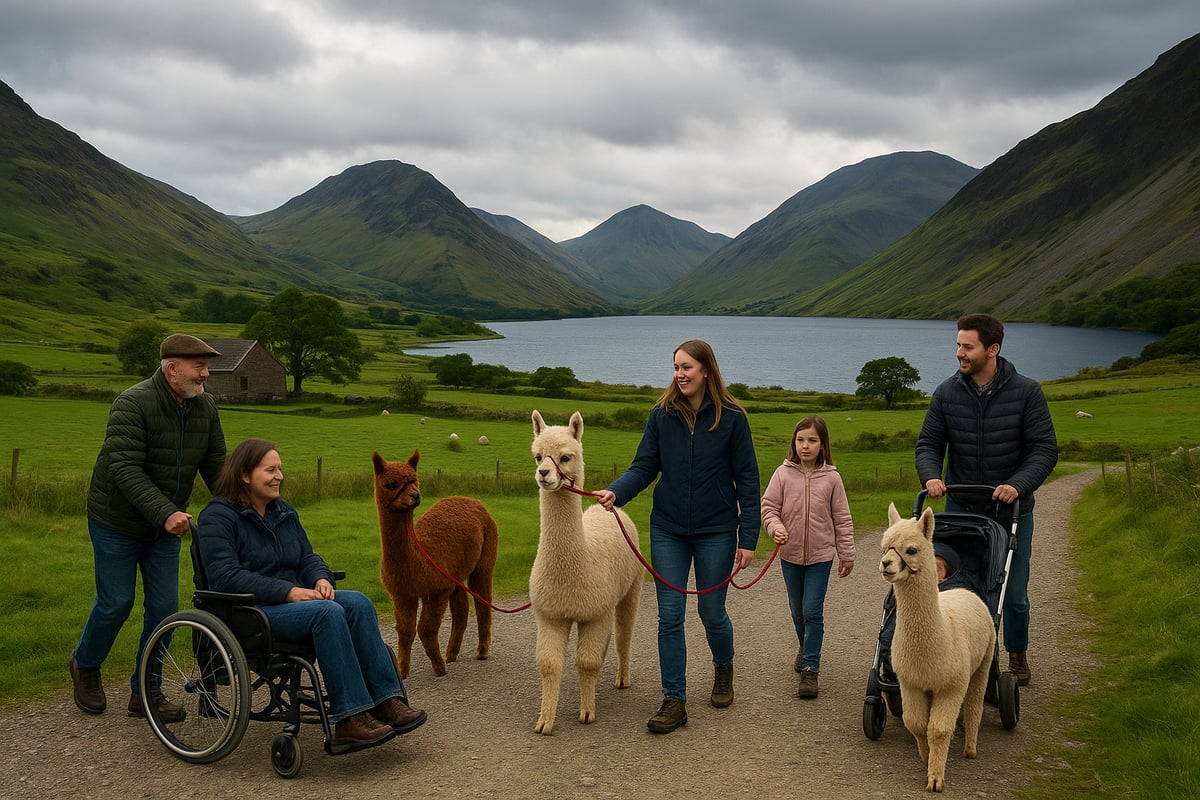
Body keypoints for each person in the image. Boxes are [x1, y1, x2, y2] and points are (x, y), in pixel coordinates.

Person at [196, 438, 427, 748]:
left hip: (295, 601)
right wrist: (288, 591)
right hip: (251, 611)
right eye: (270, 470)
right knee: (327, 613)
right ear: (245, 475)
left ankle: (386, 702)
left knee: (358, 603)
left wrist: (320, 578)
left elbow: (307, 556)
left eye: (280, 469)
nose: (279, 476)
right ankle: (349, 718)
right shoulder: (218, 517)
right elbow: (225, 576)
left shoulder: (283, 511)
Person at [595, 339, 760, 734]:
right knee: (669, 616)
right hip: (667, 529)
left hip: (717, 530)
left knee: (711, 613)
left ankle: (723, 668)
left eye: (687, 367)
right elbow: (644, 466)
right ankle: (674, 699)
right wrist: (617, 492)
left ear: (706, 370)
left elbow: (748, 480)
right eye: (676, 367)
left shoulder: (733, 418)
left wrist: (748, 537)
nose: (680, 374)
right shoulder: (661, 415)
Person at [70, 333, 226, 721]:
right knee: (116, 602)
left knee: (165, 608)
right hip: (116, 520)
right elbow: (124, 469)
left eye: (207, 367)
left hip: (164, 528)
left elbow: (217, 467)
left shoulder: (205, 407)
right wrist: (166, 512)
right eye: (199, 367)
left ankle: (146, 689)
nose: (206, 374)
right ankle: (85, 665)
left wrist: (246, 506)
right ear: (172, 369)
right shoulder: (132, 403)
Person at [915, 313, 1058, 685]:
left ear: (992, 349)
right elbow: (929, 444)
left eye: (968, 346)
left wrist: (1018, 484)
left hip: (1011, 510)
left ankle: (1017, 654)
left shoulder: (1027, 393)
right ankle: (969, 660)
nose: (959, 353)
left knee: (1013, 593)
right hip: (960, 511)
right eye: (958, 345)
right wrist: (930, 475)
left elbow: (1044, 450)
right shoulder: (946, 393)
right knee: (958, 587)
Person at [760, 415, 854, 700]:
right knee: (797, 612)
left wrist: (846, 553)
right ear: (794, 442)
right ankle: (805, 646)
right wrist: (775, 528)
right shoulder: (782, 474)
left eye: (812, 440)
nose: (805, 446)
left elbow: (842, 518)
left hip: (821, 556)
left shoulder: (832, 478)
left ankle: (811, 667)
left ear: (822, 444)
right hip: (789, 555)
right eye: (801, 440)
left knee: (812, 611)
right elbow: (768, 508)